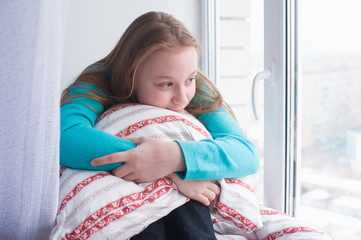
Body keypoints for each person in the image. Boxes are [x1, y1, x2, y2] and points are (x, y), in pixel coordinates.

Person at [60, 11, 259, 239]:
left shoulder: (197, 87)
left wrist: (175, 157)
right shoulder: (99, 81)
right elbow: (65, 137)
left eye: (190, 79)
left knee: (190, 203)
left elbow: (245, 153)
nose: (182, 97)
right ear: (130, 76)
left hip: (189, 208)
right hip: (128, 198)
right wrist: (165, 169)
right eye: (166, 84)